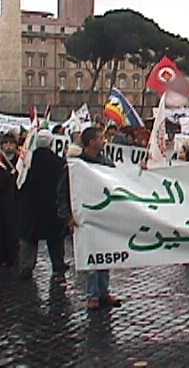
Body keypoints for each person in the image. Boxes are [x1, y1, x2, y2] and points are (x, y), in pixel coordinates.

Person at [58, 127, 122, 309]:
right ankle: (92, 295)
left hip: (104, 217)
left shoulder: (107, 164)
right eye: (101, 138)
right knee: (92, 258)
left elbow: (120, 183)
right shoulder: (75, 166)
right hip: (84, 218)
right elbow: (62, 193)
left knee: (105, 256)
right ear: (91, 142)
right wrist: (67, 217)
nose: (104, 141)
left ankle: (104, 292)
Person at [17, 130, 67, 280]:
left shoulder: (27, 161)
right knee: (55, 241)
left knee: (29, 239)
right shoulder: (59, 162)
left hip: (30, 207)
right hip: (52, 207)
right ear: (51, 143)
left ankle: (26, 267)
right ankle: (58, 267)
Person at [0, 133, 19, 267]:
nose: (8, 146)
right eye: (5, 143)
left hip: (16, 200)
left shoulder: (20, 160)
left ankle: (13, 256)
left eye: (11, 143)